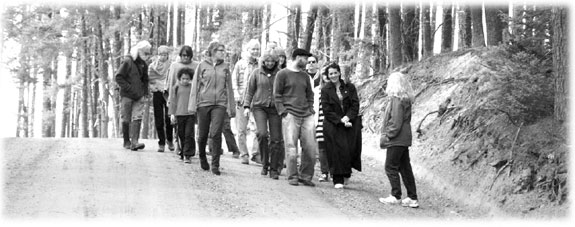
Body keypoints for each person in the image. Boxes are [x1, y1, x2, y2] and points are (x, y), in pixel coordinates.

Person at [188, 41, 235, 175]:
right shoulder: (202, 66)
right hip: (203, 104)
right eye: (220, 50)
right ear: (213, 51)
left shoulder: (225, 67)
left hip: (220, 104)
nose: (223, 53)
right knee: (202, 135)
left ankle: (215, 165)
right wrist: (192, 105)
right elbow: (195, 86)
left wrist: (231, 107)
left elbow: (229, 88)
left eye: (223, 50)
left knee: (215, 133)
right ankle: (202, 157)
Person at [273, 48, 317, 186]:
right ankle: (292, 176)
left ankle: (306, 176)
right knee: (291, 147)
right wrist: (283, 111)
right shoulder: (282, 74)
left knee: (310, 147)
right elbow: (277, 94)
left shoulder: (305, 76)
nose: (307, 62)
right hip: (290, 113)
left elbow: (310, 94)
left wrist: (310, 108)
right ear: (297, 57)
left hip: (306, 114)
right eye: (304, 58)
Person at [378, 72, 419, 208]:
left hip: (396, 138)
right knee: (405, 167)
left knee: (390, 166)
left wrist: (387, 135)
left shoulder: (396, 100)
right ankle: (412, 197)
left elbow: (395, 122)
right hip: (404, 138)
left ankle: (395, 195)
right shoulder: (406, 99)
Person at [320, 63, 362, 189]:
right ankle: (337, 178)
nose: (333, 75)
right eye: (330, 73)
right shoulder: (325, 90)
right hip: (333, 124)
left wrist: (348, 117)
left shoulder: (350, 87)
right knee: (335, 151)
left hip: (349, 123)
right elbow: (326, 109)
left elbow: (355, 105)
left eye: (335, 73)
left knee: (348, 149)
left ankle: (346, 173)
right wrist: (340, 120)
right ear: (327, 76)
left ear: (339, 73)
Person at [244, 51, 284, 179]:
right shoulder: (256, 73)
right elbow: (249, 91)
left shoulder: (280, 74)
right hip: (259, 107)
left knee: (276, 139)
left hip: (275, 109)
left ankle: (274, 169)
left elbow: (285, 91)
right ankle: (264, 163)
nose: (270, 63)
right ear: (263, 62)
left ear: (276, 62)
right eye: (267, 61)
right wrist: (246, 106)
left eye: (272, 61)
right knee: (262, 134)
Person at [115, 40, 151, 151]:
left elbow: (145, 79)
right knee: (126, 118)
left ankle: (135, 142)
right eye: (145, 52)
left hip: (139, 96)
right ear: (140, 51)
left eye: (148, 53)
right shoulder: (127, 61)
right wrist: (128, 88)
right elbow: (119, 77)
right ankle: (126, 141)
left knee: (137, 117)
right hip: (127, 95)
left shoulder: (143, 64)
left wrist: (145, 92)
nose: (147, 55)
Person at [232, 39, 261, 165]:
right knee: (241, 129)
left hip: (257, 99)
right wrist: (236, 94)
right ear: (247, 50)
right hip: (242, 99)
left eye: (257, 49)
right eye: (253, 49)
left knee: (259, 129)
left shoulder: (261, 64)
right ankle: (244, 154)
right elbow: (234, 80)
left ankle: (256, 153)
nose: (255, 51)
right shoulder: (240, 64)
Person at [166, 45, 198, 154]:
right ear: (180, 55)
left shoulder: (196, 65)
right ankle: (178, 147)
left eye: (188, 56)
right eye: (184, 55)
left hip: (191, 100)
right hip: (177, 99)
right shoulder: (174, 66)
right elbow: (171, 84)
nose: (186, 58)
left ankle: (189, 150)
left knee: (190, 129)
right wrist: (170, 100)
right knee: (178, 128)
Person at [148, 45, 173, 153]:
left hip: (168, 93)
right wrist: (153, 87)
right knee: (159, 118)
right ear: (158, 55)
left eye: (165, 54)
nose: (163, 57)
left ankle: (170, 140)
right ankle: (161, 142)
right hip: (157, 92)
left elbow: (173, 78)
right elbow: (149, 79)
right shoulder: (153, 66)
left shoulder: (172, 65)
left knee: (169, 118)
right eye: (161, 54)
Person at [168, 68, 196, 164]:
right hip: (179, 114)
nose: (185, 80)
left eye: (187, 79)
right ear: (179, 78)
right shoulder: (176, 87)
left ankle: (187, 155)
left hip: (190, 114)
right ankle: (182, 151)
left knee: (189, 134)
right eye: (183, 78)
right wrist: (172, 114)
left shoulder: (192, 87)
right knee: (181, 134)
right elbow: (173, 101)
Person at [315, 71, 331, 182]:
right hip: (320, 120)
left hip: (334, 122)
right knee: (322, 148)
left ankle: (335, 172)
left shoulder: (338, 89)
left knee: (333, 147)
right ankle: (324, 172)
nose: (326, 76)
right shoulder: (317, 90)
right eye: (324, 73)